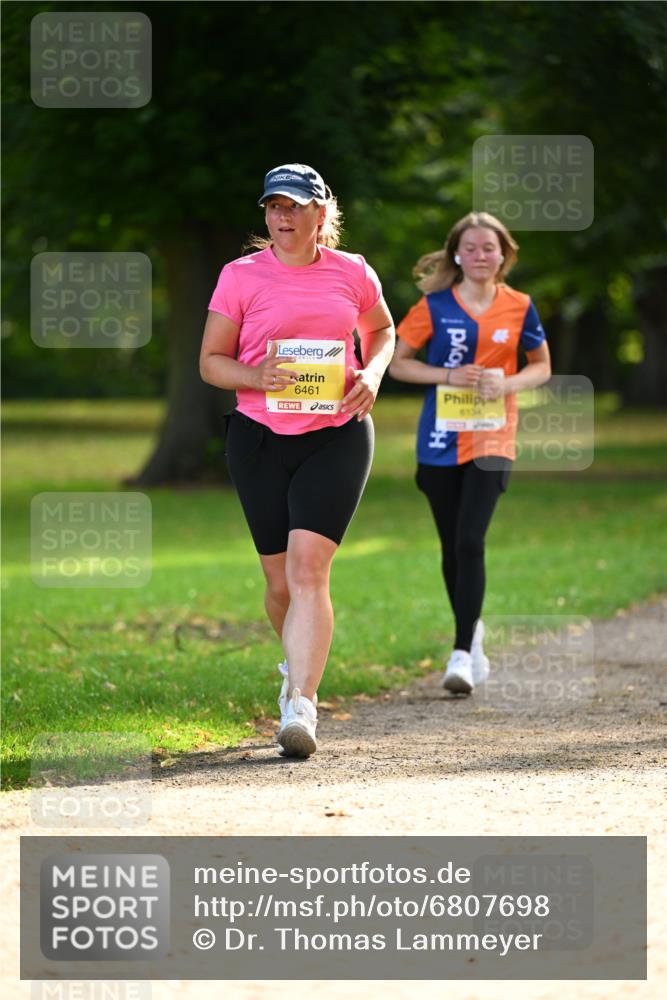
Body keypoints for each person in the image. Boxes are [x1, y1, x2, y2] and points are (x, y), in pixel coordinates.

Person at [200, 163, 395, 757]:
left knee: (310, 570)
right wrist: (255, 374)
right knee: (279, 580)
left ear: (320, 213)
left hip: (337, 433)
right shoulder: (240, 276)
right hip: (258, 437)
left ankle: (301, 707)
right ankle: (296, 662)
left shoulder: (353, 272)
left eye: (293, 207)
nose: (281, 218)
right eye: (272, 208)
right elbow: (211, 362)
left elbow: (383, 331)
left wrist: (374, 373)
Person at [389, 211, 551, 695]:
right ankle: (473, 631)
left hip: (493, 437)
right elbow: (398, 364)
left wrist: (509, 382)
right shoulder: (433, 305)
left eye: (490, 248)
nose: (481, 256)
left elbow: (541, 367)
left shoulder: (520, 306)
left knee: (470, 540)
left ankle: (460, 651)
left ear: (504, 255)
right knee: (451, 546)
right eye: (472, 248)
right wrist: (448, 375)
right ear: (457, 254)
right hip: (439, 440)